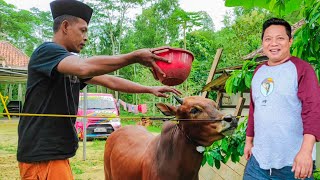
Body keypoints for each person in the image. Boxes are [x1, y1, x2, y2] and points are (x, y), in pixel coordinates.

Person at [17, 0, 181, 179]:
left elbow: (111, 81)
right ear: (65, 26)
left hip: (54, 154)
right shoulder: (46, 52)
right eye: (83, 30)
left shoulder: (67, 63)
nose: (86, 37)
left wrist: (150, 89)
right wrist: (133, 57)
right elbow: (84, 67)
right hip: (42, 155)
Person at [243, 18, 320, 180]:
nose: (273, 43)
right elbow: (254, 110)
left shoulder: (302, 69)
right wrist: (249, 141)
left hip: (293, 163)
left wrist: (306, 152)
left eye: (280, 38)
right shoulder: (258, 71)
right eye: (268, 39)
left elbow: (313, 111)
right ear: (263, 43)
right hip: (258, 163)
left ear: (290, 41)